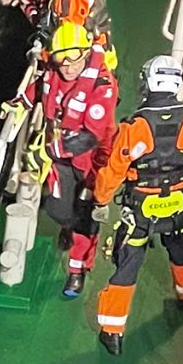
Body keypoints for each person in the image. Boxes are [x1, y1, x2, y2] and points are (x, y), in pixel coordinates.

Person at [91, 56, 183, 353]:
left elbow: (113, 170)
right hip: (178, 208)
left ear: (149, 83)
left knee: (128, 264)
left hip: (140, 211)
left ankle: (112, 332)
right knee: (180, 251)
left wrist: (101, 201)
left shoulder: (134, 129)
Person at [26, 20, 119, 297]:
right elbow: (40, 90)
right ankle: (67, 224)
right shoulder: (55, 72)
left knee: (85, 218)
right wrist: (20, 104)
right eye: (60, 58)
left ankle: (78, 270)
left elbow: (89, 137)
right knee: (57, 209)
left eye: (73, 58)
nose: (67, 65)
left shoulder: (102, 86)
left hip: (92, 162)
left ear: (87, 52)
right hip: (63, 158)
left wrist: (49, 151)